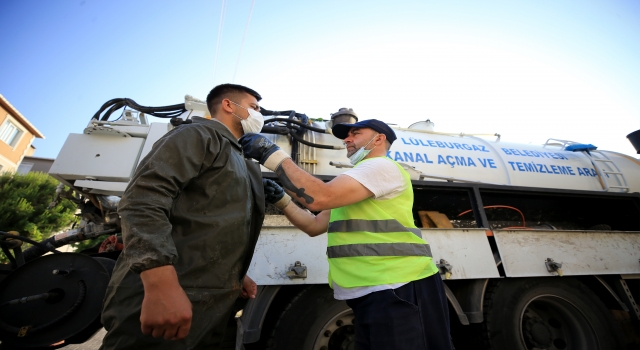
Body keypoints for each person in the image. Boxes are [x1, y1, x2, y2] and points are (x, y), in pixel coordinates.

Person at [241, 117, 452, 350]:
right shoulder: (356, 181)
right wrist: (282, 201)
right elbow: (314, 226)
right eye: (346, 135)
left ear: (379, 139)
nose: (347, 139)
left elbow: (320, 197)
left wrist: (272, 154)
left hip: (398, 287)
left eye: (356, 133)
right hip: (373, 293)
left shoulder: (380, 167)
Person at [100, 84, 266, 350]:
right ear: (228, 105)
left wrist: (234, 272)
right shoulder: (198, 135)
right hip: (170, 295)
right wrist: (160, 284)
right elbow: (143, 200)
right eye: (254, 108)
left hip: (206, 302)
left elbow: (212, 223)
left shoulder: (238, 157)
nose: (259, 115)